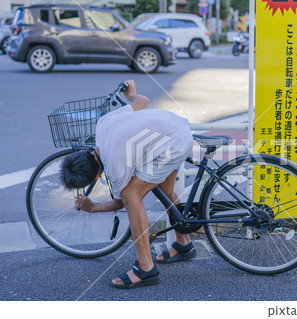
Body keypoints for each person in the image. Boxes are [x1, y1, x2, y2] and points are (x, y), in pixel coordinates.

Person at [59, 80, 195, 289]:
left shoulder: (114, 167)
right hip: (173, 127)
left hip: (173, 143)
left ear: (95, 178)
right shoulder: (103, 124)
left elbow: (121, 202)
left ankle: (146, 267)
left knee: (132, 195)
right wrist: (130, 94)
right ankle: (184, 243)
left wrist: (93, 207)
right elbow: (142, 101)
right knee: (165, 191)